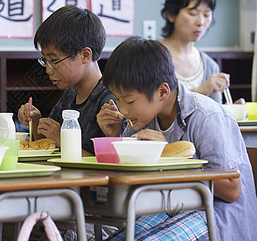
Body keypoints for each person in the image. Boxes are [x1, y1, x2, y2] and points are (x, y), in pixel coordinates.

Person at [99, 37, 257, 240]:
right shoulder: (141, 119)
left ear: (162, 91)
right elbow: (132, 181)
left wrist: (172, 159)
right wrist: (114, 138)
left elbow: (231, 189)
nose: (122, 109)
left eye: (129, 100)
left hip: (217, 216)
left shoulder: (206, 115)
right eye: (117, 99)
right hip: (169, 208)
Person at [17, 5, 114, 156]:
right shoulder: (71, 93)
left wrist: (62, 140)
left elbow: (106, 160)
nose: (48, 70)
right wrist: (36, 122)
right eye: (45, 61)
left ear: (85, 55)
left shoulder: (110, 100)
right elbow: (48, 143)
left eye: (54, 60)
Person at [160, 0, 244, 104]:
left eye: (206, 15)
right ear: (171, 14)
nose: (201, 22)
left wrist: (228, 112)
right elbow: (151, 107)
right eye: (193, 13)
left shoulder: (210, 66)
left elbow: (212, 114)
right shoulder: (151, 56)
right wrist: (200, 90)